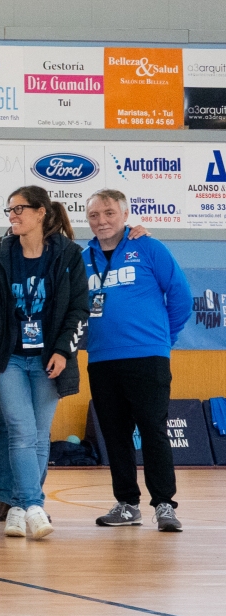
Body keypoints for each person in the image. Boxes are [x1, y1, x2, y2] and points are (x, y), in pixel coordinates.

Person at [0, 186, 88, 540]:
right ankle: (34, 504)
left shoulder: (68, 255)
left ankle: (19, 508)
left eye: (19, 209)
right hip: (10, 360)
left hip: (49, 360)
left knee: (38, 435)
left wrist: (63, 351)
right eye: (9, 210)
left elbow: (79, 309)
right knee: (20, 430)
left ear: (41, 213)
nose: (12, 215)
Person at [83, 190, 191, 533]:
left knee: (153, 430)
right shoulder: (83, 258)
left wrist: (162, 340)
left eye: (109, 213)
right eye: (94, 215)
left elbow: (181, 298)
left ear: (125, 214)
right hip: (101, 359)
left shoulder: (149, 247)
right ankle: (127, 504)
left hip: (148, 357)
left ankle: (164, 504)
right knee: (114, 435)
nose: (102, 221)